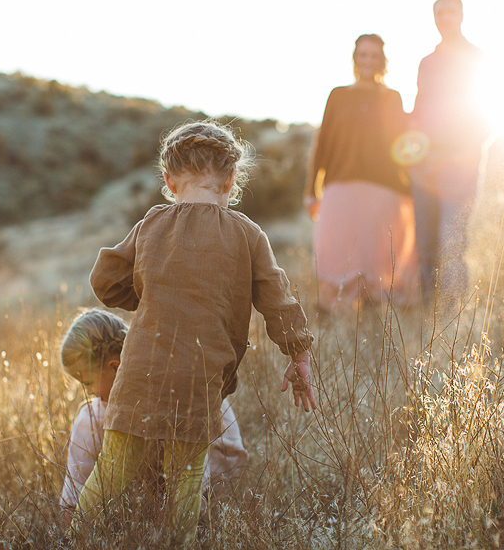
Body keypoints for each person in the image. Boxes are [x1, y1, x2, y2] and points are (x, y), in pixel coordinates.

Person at [72, 120, 317, 544]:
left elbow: (104, 280)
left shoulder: (151, 224)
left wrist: (150, 298)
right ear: (230, 179)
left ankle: (72, 540)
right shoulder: (248, 234)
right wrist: (298, 353)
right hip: (200, 379)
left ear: (168, 180)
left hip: (139, 375)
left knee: (110, 475)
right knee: (186, 484)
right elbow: (278, 301)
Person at [58, 308, 249, 525]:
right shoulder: (93, 416)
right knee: (89, 417)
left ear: (115, 367)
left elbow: (203, 470)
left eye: (87, 383)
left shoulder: (178, 387)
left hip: (213, 483)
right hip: (153, 494)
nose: (89, 392)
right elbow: (74, 490)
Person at [304, 34, 417, 312]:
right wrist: (310, 190)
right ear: (355, 59)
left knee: (378, 254)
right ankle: (332, 308)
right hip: (340, 183)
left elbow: (402, 143)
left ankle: (375, 308)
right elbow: (323, 143)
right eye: (363, 54)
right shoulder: (338, 95)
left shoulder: (393, 97)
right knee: (333, 247)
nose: (368, 60)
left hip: (384, 187)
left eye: (374, 55)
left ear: (383, 61)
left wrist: (413, 187)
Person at [410, 0, 490, 310]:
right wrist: (414, 160)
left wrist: (464, 155)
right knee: (426, 244)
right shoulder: (426, 63)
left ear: (461, 15)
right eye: (439, 12)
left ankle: (453, 315)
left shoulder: (477, 58)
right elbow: (418, 112)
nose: (445, 17)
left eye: (451, 11)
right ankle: (428, 309)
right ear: (433, 17)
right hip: (425, 167)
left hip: (460, 168)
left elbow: (488, 115)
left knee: (452, 241)